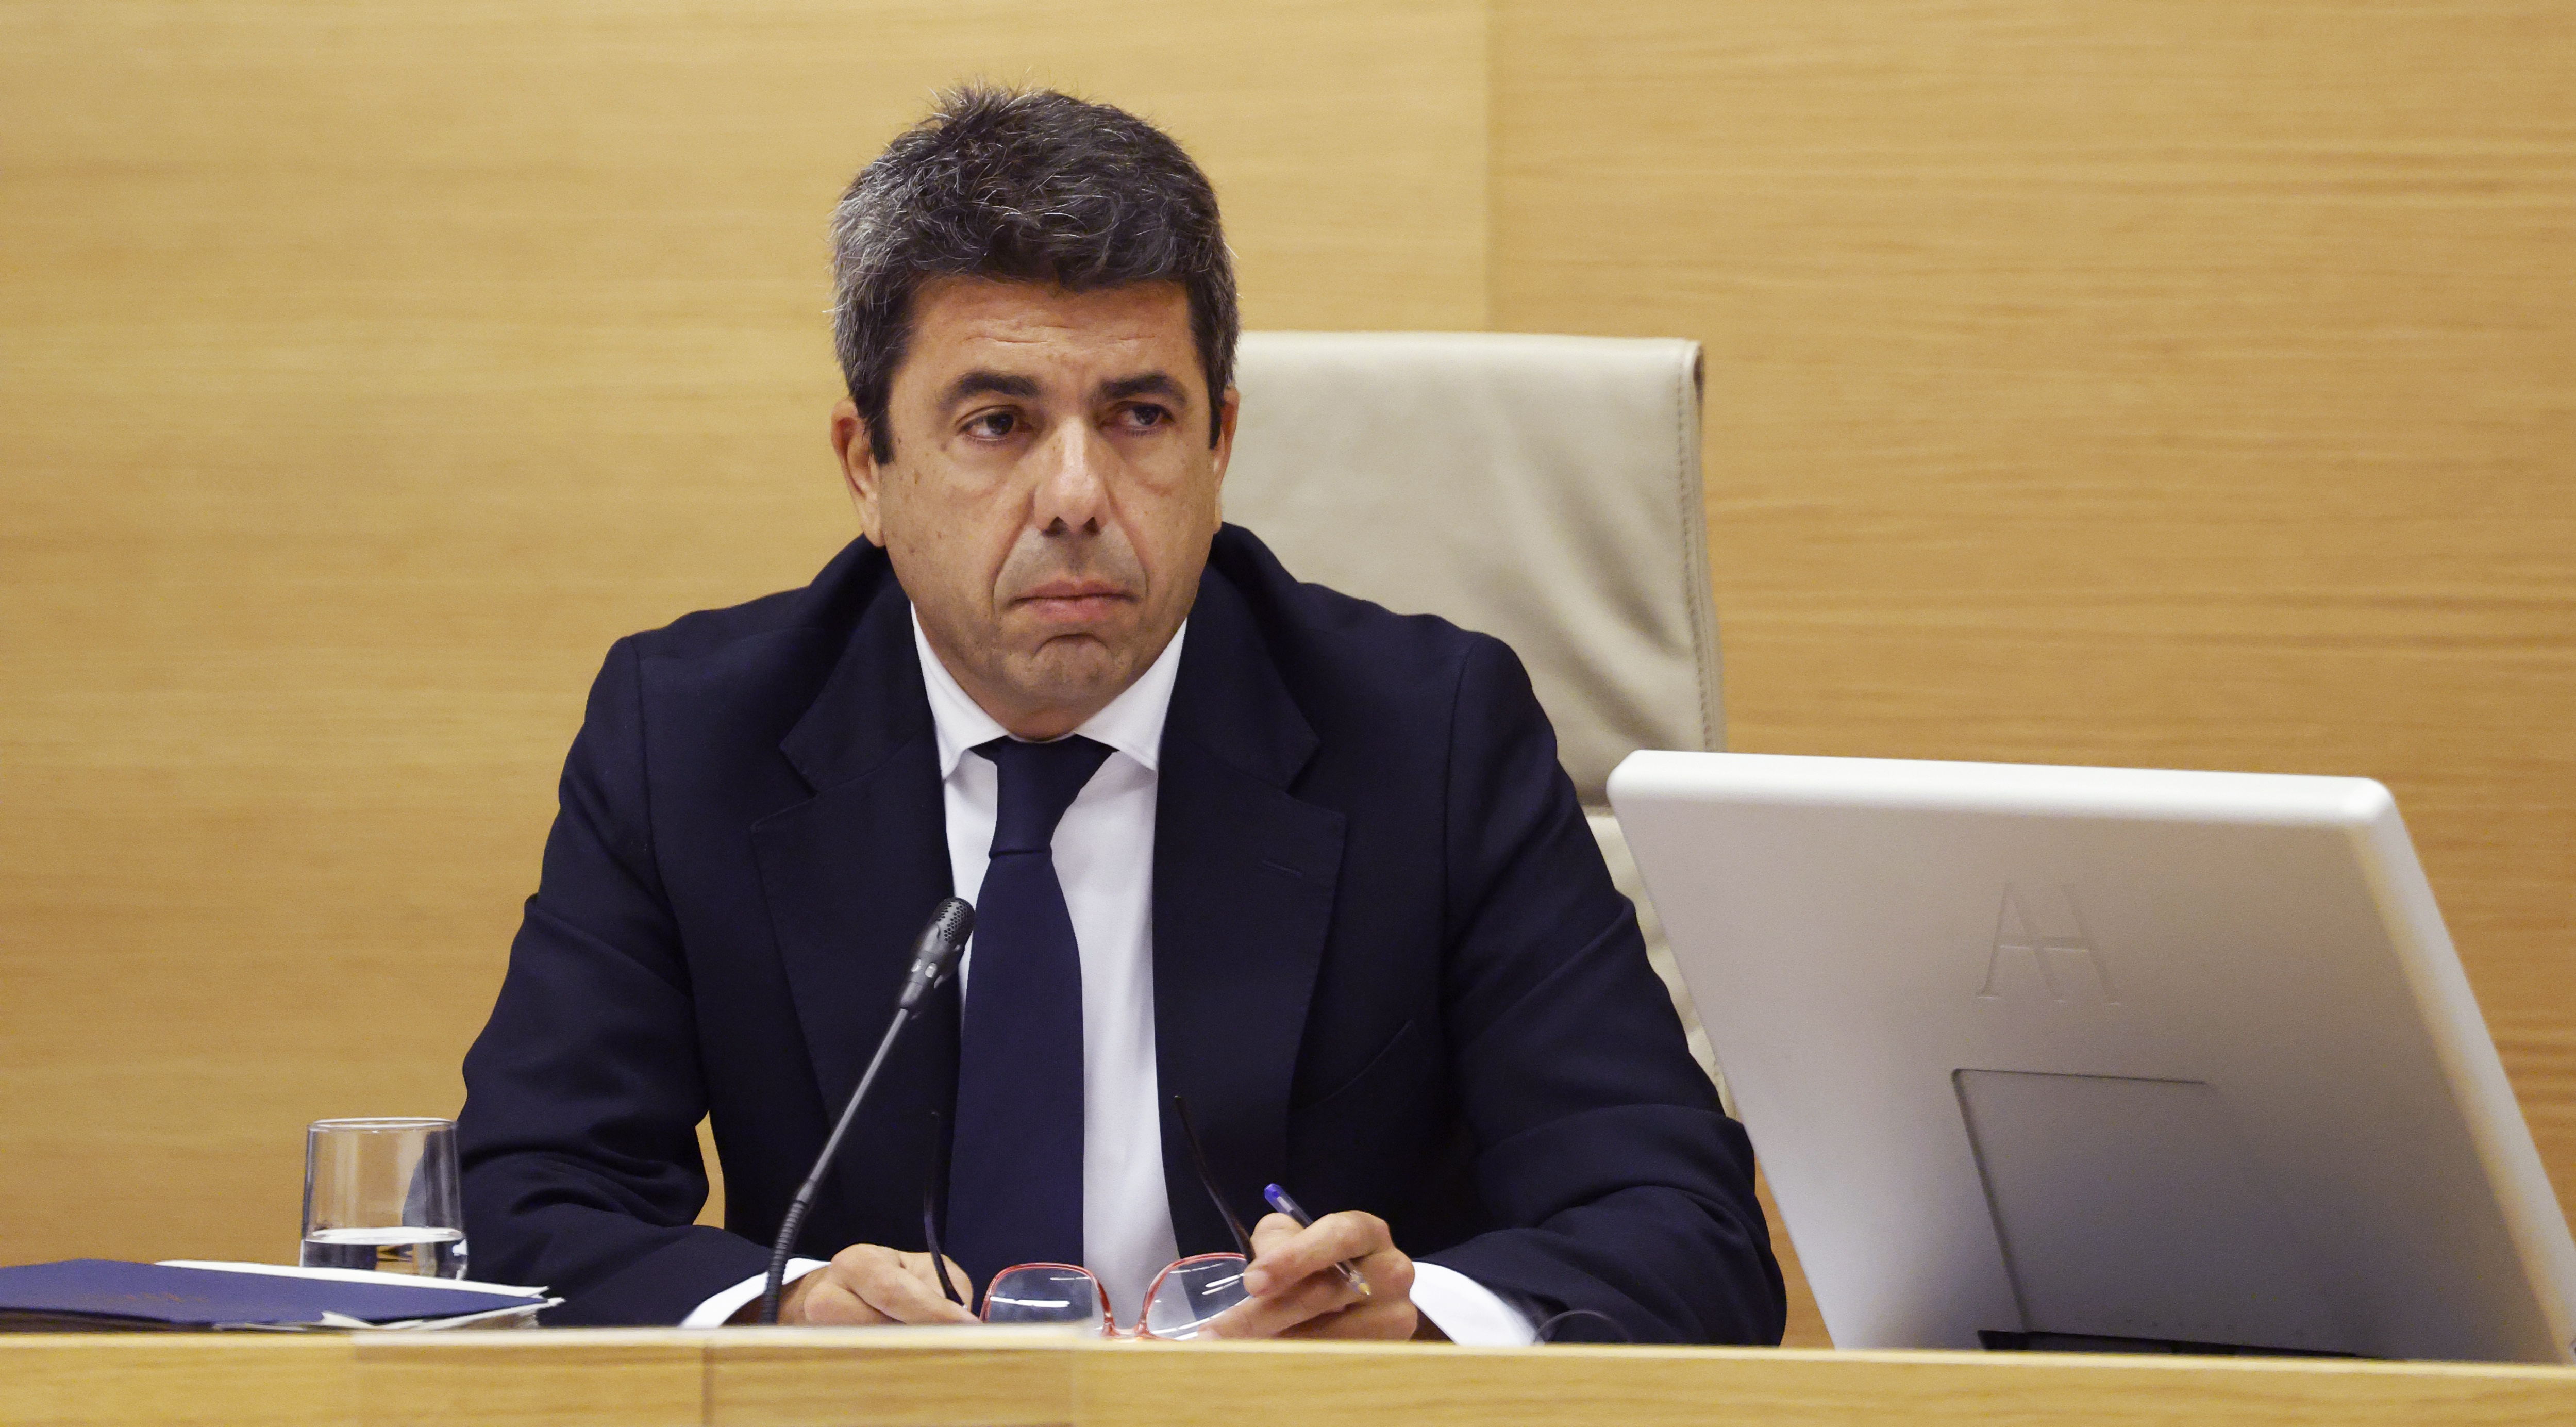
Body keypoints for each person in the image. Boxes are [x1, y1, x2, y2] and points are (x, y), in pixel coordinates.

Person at [456, 85, 1785, 1345]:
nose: (1078, 492)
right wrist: (789, 1310)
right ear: (869, 468)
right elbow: (521, 1214)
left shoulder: (1428, 735)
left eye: (1140, 415)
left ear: (1218, 451)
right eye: (997, 422)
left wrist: (1416, 1316)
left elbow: (1685, 1228)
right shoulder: (692, 733)